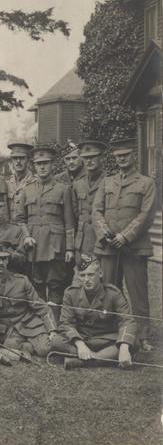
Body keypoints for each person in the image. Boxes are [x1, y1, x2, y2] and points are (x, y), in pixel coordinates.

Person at [93, 137, 157, 351]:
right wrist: (105, 233)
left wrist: (126, 236)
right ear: (114, 157)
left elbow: (146, 215)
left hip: (134, 247)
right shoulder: (107, 182)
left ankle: (142, 336)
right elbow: (97, 211)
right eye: (118, 156)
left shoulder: (146, 183)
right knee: (108, 290)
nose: (122, 159)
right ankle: (110, 332)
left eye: (126, 155)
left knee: (138, 293)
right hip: (108, 247)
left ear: (134, 155)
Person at [15, 145, 74, 318]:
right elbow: (19, 219)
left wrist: (70, 248)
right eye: (38, 163)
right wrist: (26, 236)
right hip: (33, 247)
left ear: (53, 165)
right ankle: (42, 324)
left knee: (56, 285)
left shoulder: (63, 189)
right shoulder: (27, 190)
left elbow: (69, 221)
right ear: (33, 165)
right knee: (37, 285)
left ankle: (55, 324)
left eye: (46, 163)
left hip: (56, 246)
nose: (42, 167)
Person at [0, 242, 59, 362]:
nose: (0, 263)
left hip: (30, 324)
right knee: (10, 347)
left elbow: (41, 307)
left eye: (4, 259)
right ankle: (28, 348)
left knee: (45, 349)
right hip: (9, 330)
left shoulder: (22, 281)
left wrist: (52, 330)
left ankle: (32, 347)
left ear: (8, 261)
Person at [52, 257, 136, 369]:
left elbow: (127, 321)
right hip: (82, 338)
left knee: (133, 342)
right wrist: (79, 344)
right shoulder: (71, 293)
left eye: (90, 275)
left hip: (105, 339)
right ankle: (101, 358)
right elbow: (65, 323)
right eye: (82, 275)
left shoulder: (113, 293)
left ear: (100, 273)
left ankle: (82, 361)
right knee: (56, 341)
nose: (86, 279)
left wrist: (124, 347)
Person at [72, 140, 108, 259]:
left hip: (103, 237)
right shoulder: (78, 184)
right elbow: (75, 212)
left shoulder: (110, 181)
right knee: (84, 275)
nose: (89, 161)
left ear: (101, 157)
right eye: (85, 157)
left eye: (93, 157)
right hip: (83, 239)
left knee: (105, 275)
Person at [6, 142, 36, 218]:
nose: (18, 161)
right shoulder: (7, 183)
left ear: (28, 160)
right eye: (15, 158)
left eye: (22, 158)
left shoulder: (35, 181)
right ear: (11, 161)